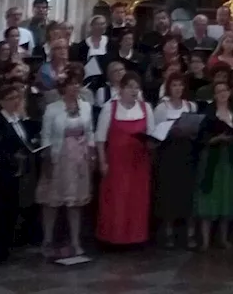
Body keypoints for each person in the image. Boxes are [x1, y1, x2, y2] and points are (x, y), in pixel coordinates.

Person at [36, 68, 94, 258]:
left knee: (75, 202)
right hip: (59, 157)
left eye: (77, 83)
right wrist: (47, 158)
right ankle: (47, 240)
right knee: (52, 202)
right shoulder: (53, 108)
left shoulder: (85, 106)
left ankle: (76, 241)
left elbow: (90, 132)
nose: (75, 87)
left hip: (79, 157)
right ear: (63, 87)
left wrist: (91, 154)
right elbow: (45, 136)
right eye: (71, 83)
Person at [96, 71, 155, 246]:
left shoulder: (146, 108)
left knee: (136, 199)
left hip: (139, 161)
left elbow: (151, 135)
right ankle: (113, 238)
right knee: (116, 198)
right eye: (130, 87)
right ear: (121, 89)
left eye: (137, 87)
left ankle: (136, 238)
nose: (134, 91)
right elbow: (100, 138)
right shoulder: (110, 107)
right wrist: (102, 161)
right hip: (116, 161)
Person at [0, 84, 34, 265]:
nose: (15, 102)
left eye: (17, 98)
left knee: (11, 211)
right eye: (11, 98)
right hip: (2, 172)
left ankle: (6, 248)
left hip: (16, 172)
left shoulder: (17, 119)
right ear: (1, 101)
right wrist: (13, 157)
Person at [195, 81, 233, 250]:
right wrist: (216, 139)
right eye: (218, 91)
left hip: (229, 157)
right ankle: (205, 240)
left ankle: (223, 238)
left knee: (227, 196)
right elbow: (200, 137)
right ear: (214, 95)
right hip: (212, 157)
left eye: (225, 90)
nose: (222, 93)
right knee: (209, 195)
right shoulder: (208, 113)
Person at [153, 73, 198, 249]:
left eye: (180, 85)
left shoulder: (190, 106)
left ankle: (189, 233)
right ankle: (168, 232)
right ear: (168, 87)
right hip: (169, 153)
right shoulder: (162, 108)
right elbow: (156, 132)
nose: (178, 89)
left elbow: (196, 128)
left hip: (187, 153)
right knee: (169, 194)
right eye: (174, 85)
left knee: (187, 193)